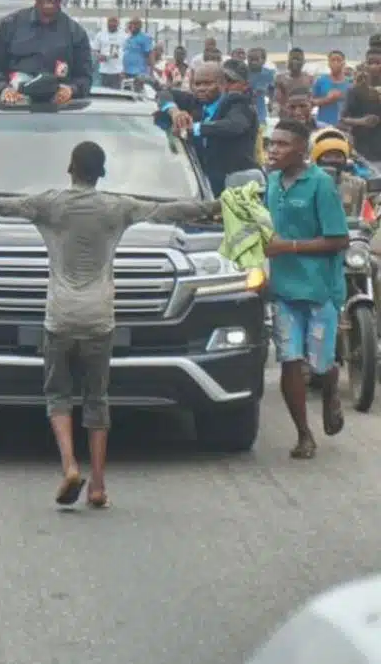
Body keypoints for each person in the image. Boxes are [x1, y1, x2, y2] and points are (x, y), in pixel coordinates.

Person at [0, 141, 220, 508]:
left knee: (58, 395)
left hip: (59, 315)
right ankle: (99, 484)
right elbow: (172, 211)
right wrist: (219, 206)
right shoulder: (119, 207)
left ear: (70, 169)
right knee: (97, 399)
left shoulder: (49, 204)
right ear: (101, 173)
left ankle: (70, 465)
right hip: (100, 318)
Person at [265, 119, 348, 460]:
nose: (273, 150)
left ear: (302, 150)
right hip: (283, 291)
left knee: (320, 364)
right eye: (271, 143)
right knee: (289, 360)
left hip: (319, 290)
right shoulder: (270, 182)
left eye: (282, 145)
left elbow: (339, 239)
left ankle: (331, 389)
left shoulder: (320, 185)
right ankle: (304, 434)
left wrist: (290, 247)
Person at [0, 0, 93, 104]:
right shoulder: (10, 25)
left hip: (61, 113)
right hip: (15, 110)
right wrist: (4, 89)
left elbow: (85, 77)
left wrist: (71, 89)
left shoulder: (76, 33)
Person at [157, 60, 259, 197]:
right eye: (197, 84)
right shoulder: (194, 102)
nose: (201, 88)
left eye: (208, 83)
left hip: (236, 190)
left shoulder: (237, 103)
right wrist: (174, 111)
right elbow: (163, 94)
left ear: (222, 85)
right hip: (197, 188)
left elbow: (234, 126)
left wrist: (193, 128)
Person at [340, 46, 381, 168]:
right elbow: (343, 118)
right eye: (370, 63)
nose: (374, 67)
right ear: (365, 65)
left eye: (378, 63)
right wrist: (362, 121)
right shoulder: (354, 91)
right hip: (363, 148)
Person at [312, 50, 351, 126]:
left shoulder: (350, 83)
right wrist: (327, 99)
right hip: (324, 124)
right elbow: (311, 102)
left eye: (338, 60)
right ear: (328, 63)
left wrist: (343, 96)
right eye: (333, 60)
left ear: (344, 63)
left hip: (345, 125)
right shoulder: (321, 81)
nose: (335, 63)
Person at [274, 48, 313, 118]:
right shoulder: (280, 79)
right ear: (288, 61)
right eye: (293, 59)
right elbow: (278, 102)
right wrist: (291, 113)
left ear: (303, 62)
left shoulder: (309, 78)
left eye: (298, 59)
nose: (295, 62)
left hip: (304, 117)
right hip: (287, 118)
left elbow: (311, 100)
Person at [92, 16, 125, 89]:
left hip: (118, 71)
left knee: (116, 95)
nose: (112, 25)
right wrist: (99, 56)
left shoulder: (123, 36)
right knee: (104, 94)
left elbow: (127, 54)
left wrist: (124, 70)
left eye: (114, 23)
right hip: (104, 71)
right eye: (110, 23)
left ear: (118, 24)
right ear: (107, 24)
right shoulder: (100, 35)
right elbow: (94, 50)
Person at [247, 47, 275, 126]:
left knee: (261, 126)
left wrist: (271, 101)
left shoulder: (268, 73)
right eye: (250, 59)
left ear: (263, 60)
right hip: (246, 105)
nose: (253, 62)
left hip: (261, 106)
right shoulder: (243, 72)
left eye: (256, 59)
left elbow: (272, 88)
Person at [121, 17, 153, 87]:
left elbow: (150, 56)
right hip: (126, 72)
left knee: (137, 94)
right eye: (131, 24)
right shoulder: (128, 38)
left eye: (135, 24)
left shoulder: (145, 38)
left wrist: (151, 73)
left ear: (140, 26)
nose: (132, 26)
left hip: (139, 73)